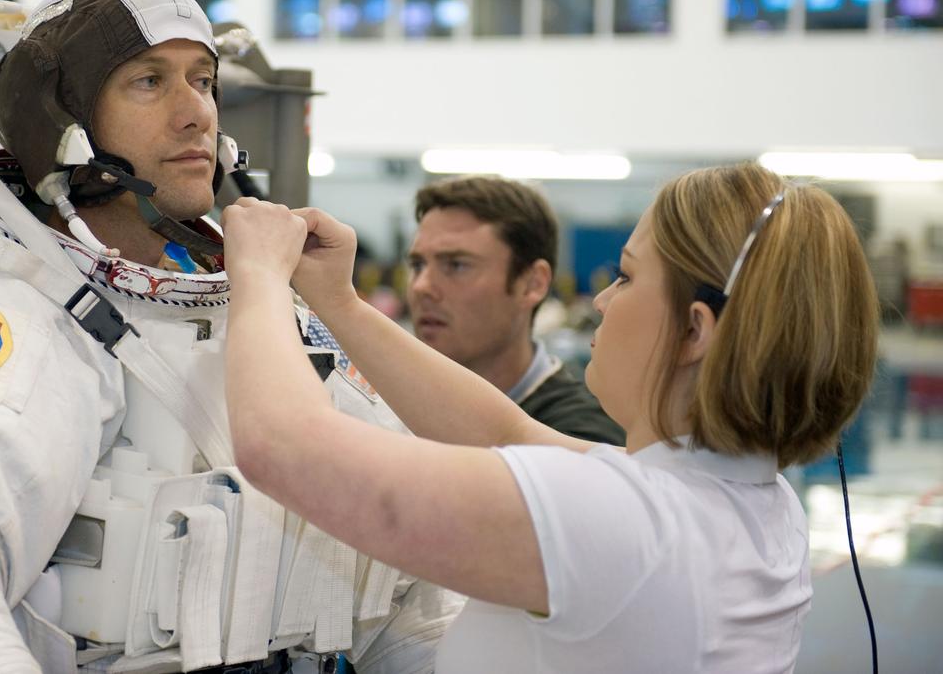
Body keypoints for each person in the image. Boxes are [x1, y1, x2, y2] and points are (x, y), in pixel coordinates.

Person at [0, 0, 461, 674]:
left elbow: (408, 573)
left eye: (203, 79)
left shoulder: (259, 300)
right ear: (58, 120)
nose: (197, 114)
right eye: (149, 82)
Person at [221, 162, 879, 672]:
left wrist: (256, 273)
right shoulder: (752, 502)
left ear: (694, 330)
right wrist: (339, 301)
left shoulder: (627, 523)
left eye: (624, 276)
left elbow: (286, 446)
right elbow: (508, 434)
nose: (600, 300)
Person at [408, 176, 624, 443]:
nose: (421, 286)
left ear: (532, 284)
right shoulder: (392, 403)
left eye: (456, 265)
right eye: (417, 265)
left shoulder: (583, 438)